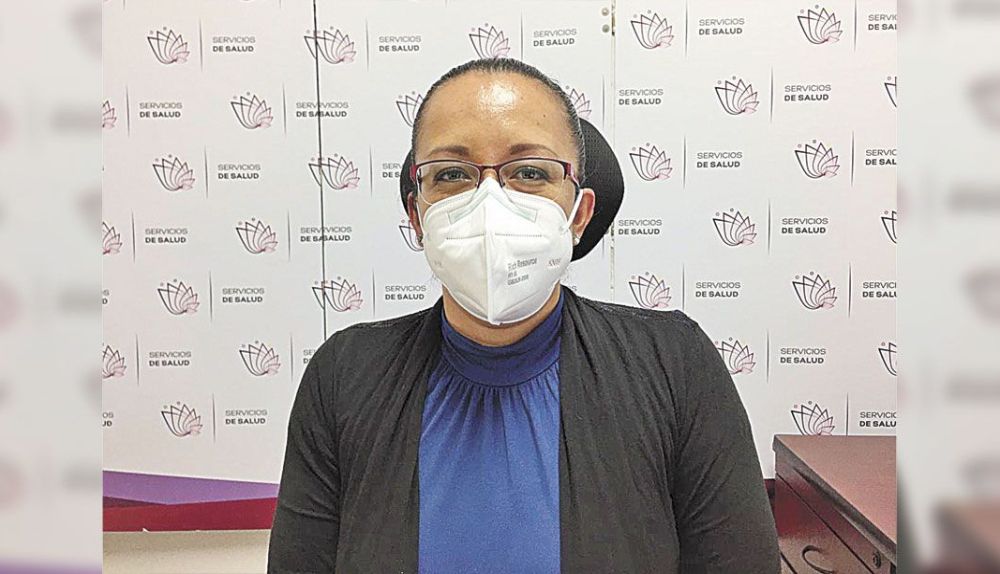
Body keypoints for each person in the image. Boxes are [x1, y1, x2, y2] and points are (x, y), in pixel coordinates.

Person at [268, 58, 780, 573]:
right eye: (451, 174)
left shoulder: (674, 365)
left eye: (530, 172)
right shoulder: (344, 376)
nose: (490, 201)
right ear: (417, 216)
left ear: (579, 214)